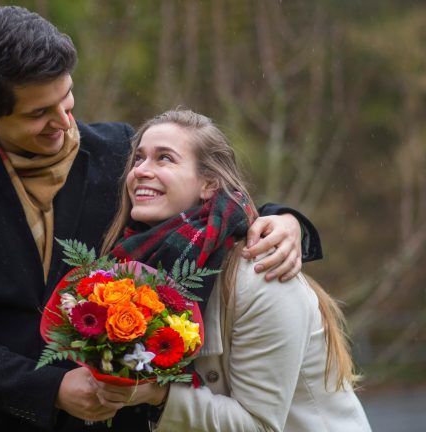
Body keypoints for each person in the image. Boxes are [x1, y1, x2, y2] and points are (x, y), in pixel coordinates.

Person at [0, 7, 322, 432]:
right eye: (39, 113)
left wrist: (283, 220)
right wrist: (49, 389)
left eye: (66, 97)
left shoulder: (120, 150)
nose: (63, 122)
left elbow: (205, 204)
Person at [93, 109, 371, 431]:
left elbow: (259, 426)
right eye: (139, 158)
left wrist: (160, 395)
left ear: (209, 183)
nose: (141, 170)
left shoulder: (261, 274)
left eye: (164, 158)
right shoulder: (129, 268)